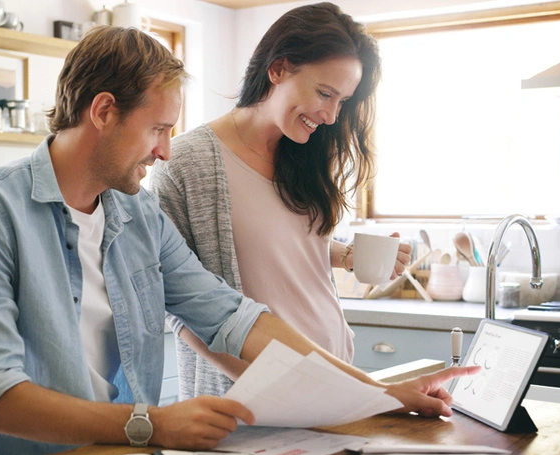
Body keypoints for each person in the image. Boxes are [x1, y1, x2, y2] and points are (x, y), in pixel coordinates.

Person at [0, 25, 476, 455]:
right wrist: (152, 424)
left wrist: (381, 392)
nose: (166, 149)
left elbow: (234, 317)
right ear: (102, 112)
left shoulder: (137, 215)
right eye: (159, 129)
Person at [150, 3, 407, 399]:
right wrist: (267, 384)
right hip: (257, 396)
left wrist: (348, 255)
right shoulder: (187, 164)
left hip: (335, 381)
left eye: (342, 101)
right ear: (278, 69)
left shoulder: (307, 156)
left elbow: (282, 243)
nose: (331, 116)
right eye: (325, 94)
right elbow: (180, 305)